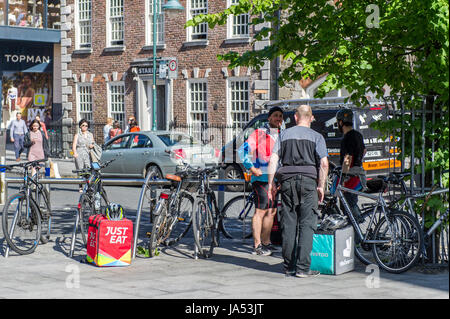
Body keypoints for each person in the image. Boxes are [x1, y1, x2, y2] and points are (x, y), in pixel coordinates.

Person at [268, 104, 329, 278]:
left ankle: (289, 266)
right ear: (311, 118)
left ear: (295, 117)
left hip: (286, 181)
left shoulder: (284, 135)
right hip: (309, 182)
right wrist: (321, 185)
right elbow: (324, 163)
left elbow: (274, 159)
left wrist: (271, 183)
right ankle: (303, 268)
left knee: (289, 224)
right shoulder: (317, 137)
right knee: (307, 224)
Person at [238, 106, 284, 256]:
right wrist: (251, 168)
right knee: (261, 211)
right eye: (276, 116)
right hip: (261, 178)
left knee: (271, 211)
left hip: (275, 179)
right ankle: (257, 245)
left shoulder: (281, 135)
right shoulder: (259, 133)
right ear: (269, 118)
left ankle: (266, 242)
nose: (278, 119)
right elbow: (242, 151)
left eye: (281, 116)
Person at [336, 108, 367, 222]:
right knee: (352, 203)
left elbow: (347, 159)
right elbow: (364, 150)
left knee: (347, 207)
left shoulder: (347, 138)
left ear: (340, 122)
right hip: (358, 174)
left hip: (350, 177)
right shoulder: (358, 135)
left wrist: (343, 179)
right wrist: (358, 161)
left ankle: (357, 234)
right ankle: (357, 229)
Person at [72, 119, 95, 192]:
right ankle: (80, 186)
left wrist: (92, 145)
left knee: (88, 170)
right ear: (80, 126)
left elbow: (93, 143)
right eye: (83, 125)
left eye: (86, 126)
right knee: (80, 170)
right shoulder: (77, 135)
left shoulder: (90, 134)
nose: (85, 127)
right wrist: (75, 153)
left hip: (88, 153)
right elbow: (74, 145)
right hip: (79, 152)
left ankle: (88, 186)